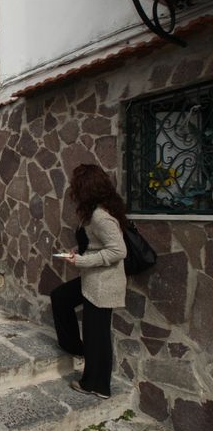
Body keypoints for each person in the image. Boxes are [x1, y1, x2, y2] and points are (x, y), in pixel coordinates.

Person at [49, 164, 127, 400]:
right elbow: (94, 244)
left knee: (97, 334)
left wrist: (83, 261)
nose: (73, 188)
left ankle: (97, 385)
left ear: (86, 188)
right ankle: (74, 347)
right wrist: (76, 252)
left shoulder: (100, 216)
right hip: (92, 280)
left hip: (103, 283)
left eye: (76, 184)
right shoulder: (92, 212)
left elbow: (118, 250)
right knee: (60, 297)